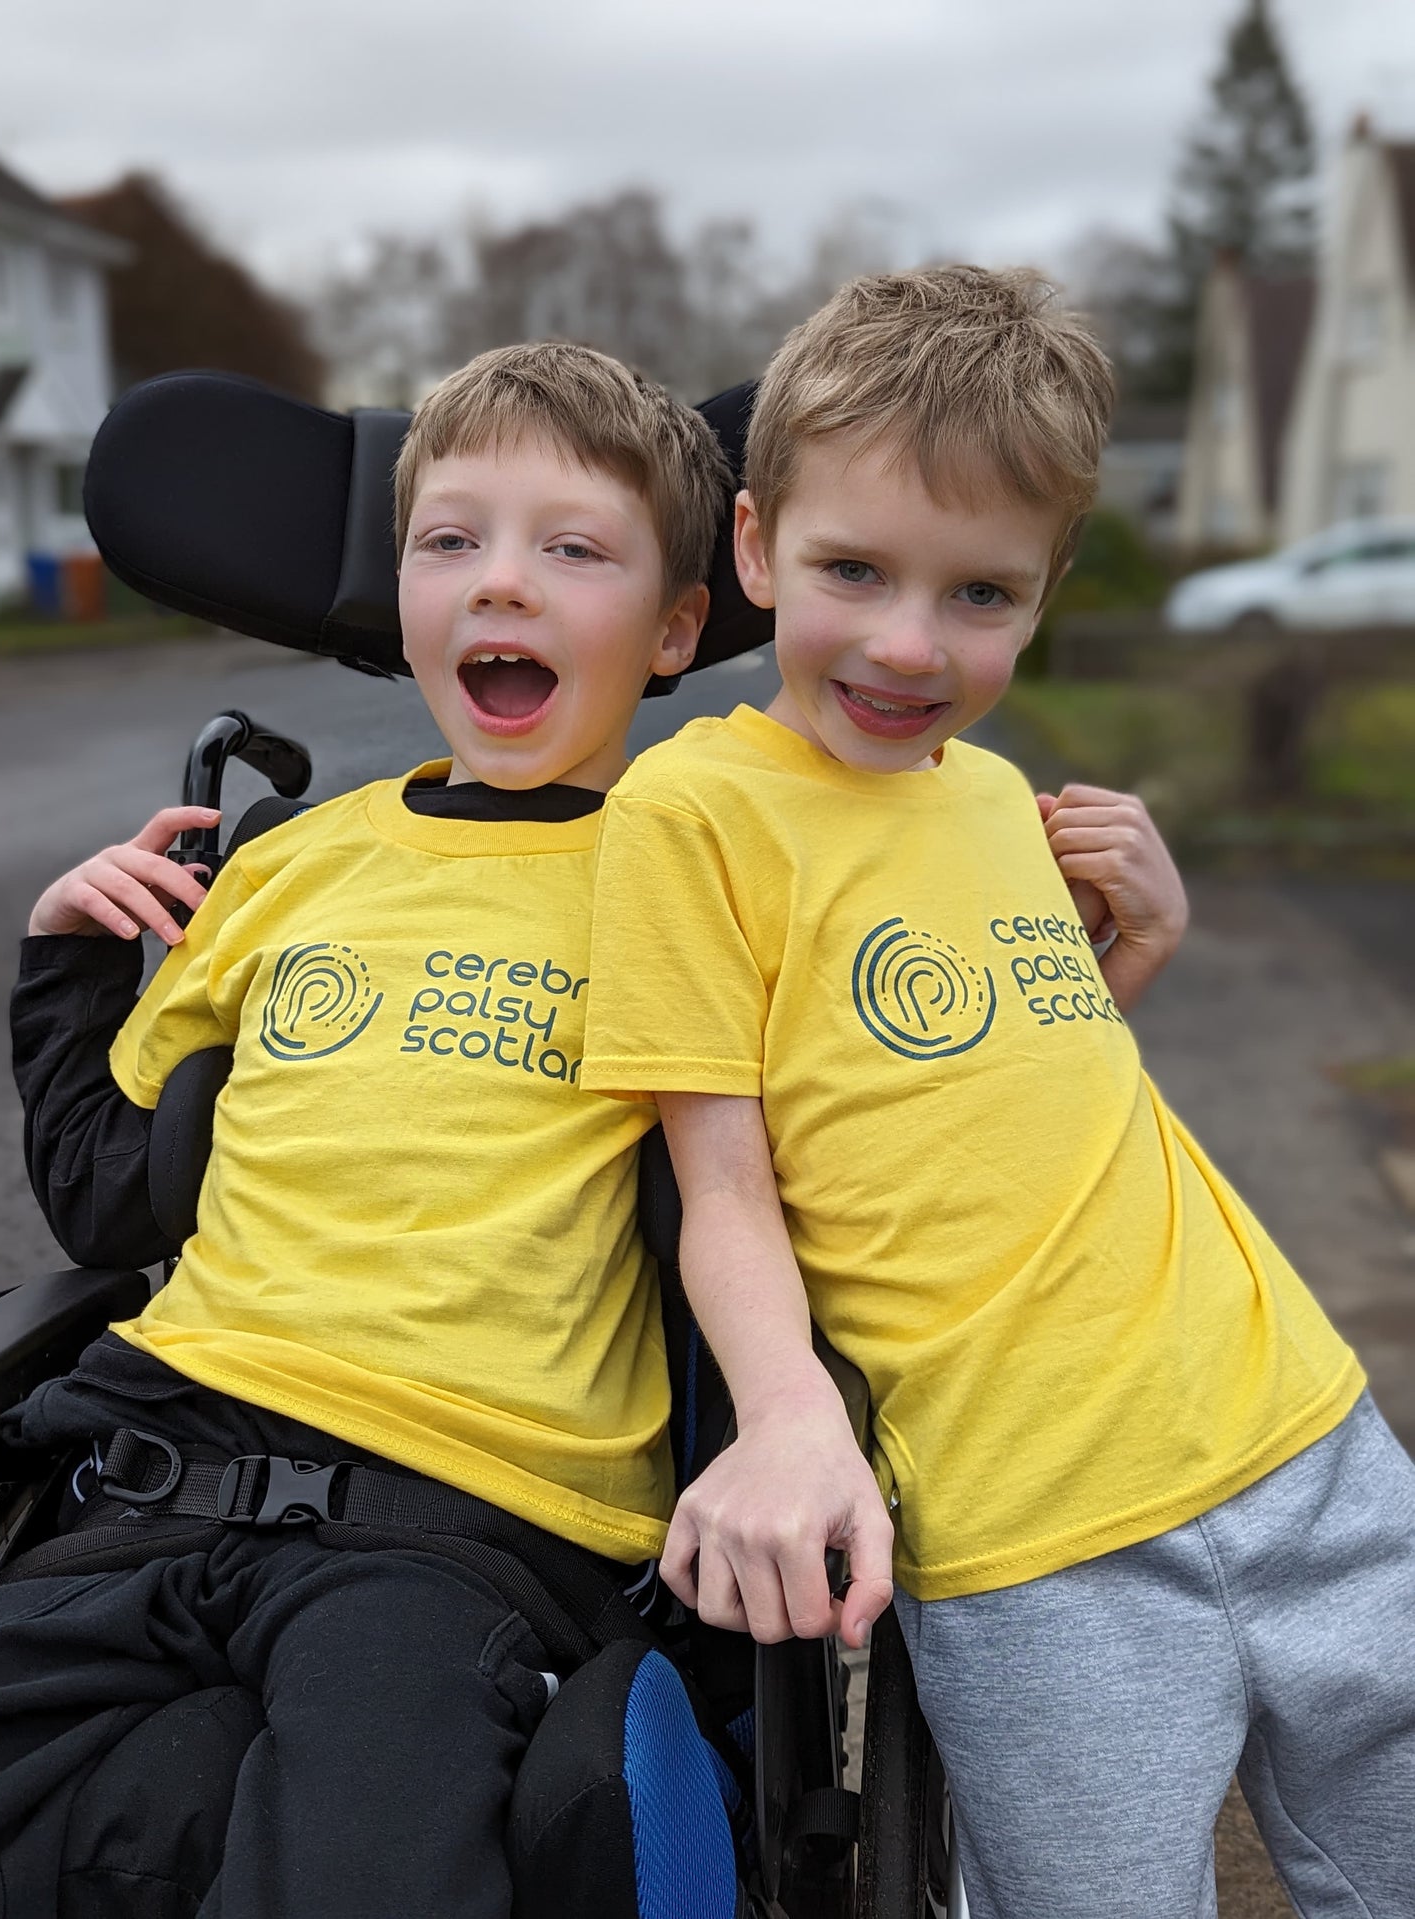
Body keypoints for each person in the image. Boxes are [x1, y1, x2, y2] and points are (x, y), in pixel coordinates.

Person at [581, 269, 1415, 1917]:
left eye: (979, 594)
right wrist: (786, 1413)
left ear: (1043, 596)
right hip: (1037, 1542)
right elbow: (725, 1183)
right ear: (752, 548)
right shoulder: (694, 813)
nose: (908, 643)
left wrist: (1138, 950)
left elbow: (966, 1077)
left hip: (1310, 1442)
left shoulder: (992, 799)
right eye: (851, 572)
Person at [0, 343, 729, 1918]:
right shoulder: (291, 865)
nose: (499, 586)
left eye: (570, 550)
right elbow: (113, 1209)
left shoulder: (712, 874)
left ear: (674, 628)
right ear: (398, 591)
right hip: (152, 1462)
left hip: (455, 1522)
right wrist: (61, 956)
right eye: (450, 542)